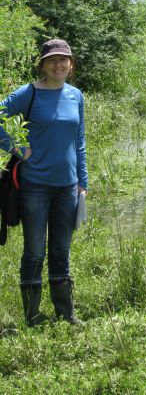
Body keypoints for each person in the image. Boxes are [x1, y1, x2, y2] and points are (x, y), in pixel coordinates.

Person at [0, 39, 88, 326]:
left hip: (67, 187)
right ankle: (33, 317)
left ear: (71, 64)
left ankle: (66, 312)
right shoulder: (29, 94)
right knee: (35, 251)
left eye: (64, 60)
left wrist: (82, 182)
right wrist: (14, 147)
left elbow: (79, 141)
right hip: (34, 186)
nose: (58, 65)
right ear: (43, 65)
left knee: (61, 251)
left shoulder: (76, 95)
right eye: (52, 60)